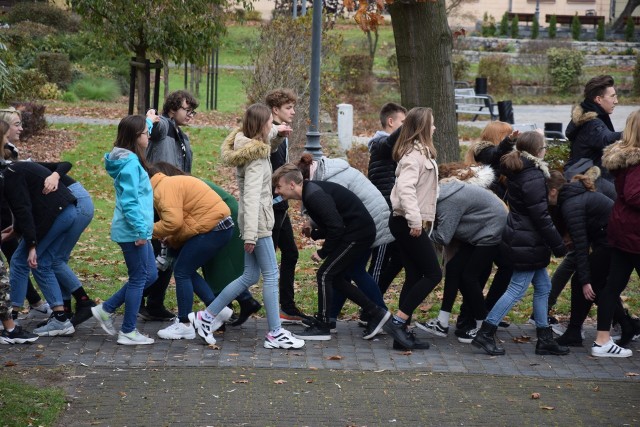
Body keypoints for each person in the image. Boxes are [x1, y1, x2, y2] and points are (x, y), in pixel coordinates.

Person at [189, 104, 304, 350]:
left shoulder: (252, 146)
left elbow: (266, 140)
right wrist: (250, 235)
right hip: (258, 223)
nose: (271, 125)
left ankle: (206, 317)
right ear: (260, 126)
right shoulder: (254, 159)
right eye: (269, 123)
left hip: (256, 220)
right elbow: (251, 198)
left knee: (250, 276)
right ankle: (275, 333)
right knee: (271, 275)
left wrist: (279, 132)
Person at [272, 164, 413, 348]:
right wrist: (314, 234)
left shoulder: (313, 195)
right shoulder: (309, 193)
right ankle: (376, 313)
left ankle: (324, 326)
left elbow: (337, 227)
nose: (276, 191)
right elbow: (333, 222)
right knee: (335, 277)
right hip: (355, 232)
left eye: (278, 187)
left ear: (291, 184)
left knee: (324, 275)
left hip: (358, 234)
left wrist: (323, 252)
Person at [472, 131, 569, 356]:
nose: (546, 150)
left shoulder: (519, 168)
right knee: (516, 289)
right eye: (544, 147)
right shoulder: (533, 176)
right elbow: (541, 217)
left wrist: (506, 143)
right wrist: (558, 245)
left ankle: (544, 338)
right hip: (529, 239)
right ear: (536, 151)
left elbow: (496, 159)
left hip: (522, 236)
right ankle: (485, 332)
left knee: (543, 287)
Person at [295, 153, 393, 337]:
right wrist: (313, 226)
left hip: (369, 223)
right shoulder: (324, 174)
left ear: (306, 178)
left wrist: (324, 250)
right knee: (341, 272)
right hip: (360, 224)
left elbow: (333, 218)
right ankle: (329, 318)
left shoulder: (331, 178)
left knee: (354, 270)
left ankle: (380, 314)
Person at [546, 169, 638, 348]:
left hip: (612, 242)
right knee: (599, 286)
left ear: (553, 191)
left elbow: (581, 246)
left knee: (585, 283)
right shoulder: (573, 198)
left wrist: (585, 279)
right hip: (612, 240)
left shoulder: (570, 205)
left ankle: (622, 325)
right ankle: (627, 325)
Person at [418, 162, 507, 344]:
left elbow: (443, 237)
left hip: (490, 232)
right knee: (453, 268)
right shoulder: (444, 192)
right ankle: (442, 323)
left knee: (468, 277)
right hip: (479, 231)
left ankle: (484, 327)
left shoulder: (448, 201)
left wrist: (420, 233)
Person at [92, 115, 157, 345]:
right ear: (134, 137)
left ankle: (106, 309)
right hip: (133, 231)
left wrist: (148, 120)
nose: (148, 136)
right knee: (140, 277)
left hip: (136, 229)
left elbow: (138, 129)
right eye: (145, 133)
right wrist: (140, 231)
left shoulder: (125, 155)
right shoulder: (129, 163)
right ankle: (128, 331)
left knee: (151, 274)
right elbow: (129, 202)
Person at [149, 164, 234, 340]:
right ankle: (216, 309)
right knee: (184, 268)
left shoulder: (162, 189)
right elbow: (187, 222)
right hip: (220, 225)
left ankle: (185, 324)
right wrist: (171, 238)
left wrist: (147, 230)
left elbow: (173, 223)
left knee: (181, 271)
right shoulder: (167, 184)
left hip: (214, 227)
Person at [386, 107, 443, 350]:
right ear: (422, 128)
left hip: (408, 222)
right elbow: (405, 189)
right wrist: (415, 221)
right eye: (431, 124)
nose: (435, 128)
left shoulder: (422, 153)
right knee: (433, 274)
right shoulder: (413, 156)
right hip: (407, 223)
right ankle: (398, 322)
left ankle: (403, 336)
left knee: (414, 275)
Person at [139, 90, 199, 321]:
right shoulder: (164, 126)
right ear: (172, 109)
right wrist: (150, 120)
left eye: (192, 111)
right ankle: (139, 298)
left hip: (173, 200)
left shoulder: (181, 136)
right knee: (158, 252)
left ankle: (153, 302)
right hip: (157, 198)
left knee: (168, 253)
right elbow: (153, 129)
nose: (190, 115)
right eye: (187, 110)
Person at [2, 161, 79, 336]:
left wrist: (31, 246)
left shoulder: (10, 175)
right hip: (66, 212)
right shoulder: (15, 169)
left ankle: (11, 316)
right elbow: (28, 207)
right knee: (43, 263)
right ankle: (60, 318)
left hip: (56, 214)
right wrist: (17, 231)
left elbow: (24, 209)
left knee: (20, 261)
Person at [591, 110, 640, 358]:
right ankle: (602, 341)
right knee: (612, 285)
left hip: (622, 230)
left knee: (612, 286)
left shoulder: (624, 158)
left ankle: (602, 340)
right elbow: (633, 194)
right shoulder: (637, 161)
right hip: (634, 234)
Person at [0, 110, 51, 318]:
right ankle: (22, 307)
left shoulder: (10, 150)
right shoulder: (7, 153)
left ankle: (30, 302)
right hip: (6, 215)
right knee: (17, 257)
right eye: (16, 125)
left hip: (9, 214)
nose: (21, 128)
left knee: (16, 257)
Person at [265, 88, 308, 324]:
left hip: (279, 204)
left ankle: (287, 308)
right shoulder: (271, 134)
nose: (293, 111)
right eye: (288, 108)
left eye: (293, 107)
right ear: (275, 110)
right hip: (271, 205)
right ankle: (230, 300)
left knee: (290, 252)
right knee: (262, 264)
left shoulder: (282, 133)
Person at [366, 102, 406, 299]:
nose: (406, 127)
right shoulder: (379, 144)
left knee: (399, 258)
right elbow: (389, 143)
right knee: (379, 262)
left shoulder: (392, 148)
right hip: (384, 211)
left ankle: (374, 300)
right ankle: (370, 309)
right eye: (403, 123)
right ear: (391, 122)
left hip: (395, 211)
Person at [565, 75, 622, 180]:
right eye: (612, 96)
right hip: (590, 182)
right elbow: (606, 139)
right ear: (599, 99)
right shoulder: (592, 124)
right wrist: (633, 131)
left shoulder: (588, 116)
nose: (616, 101)